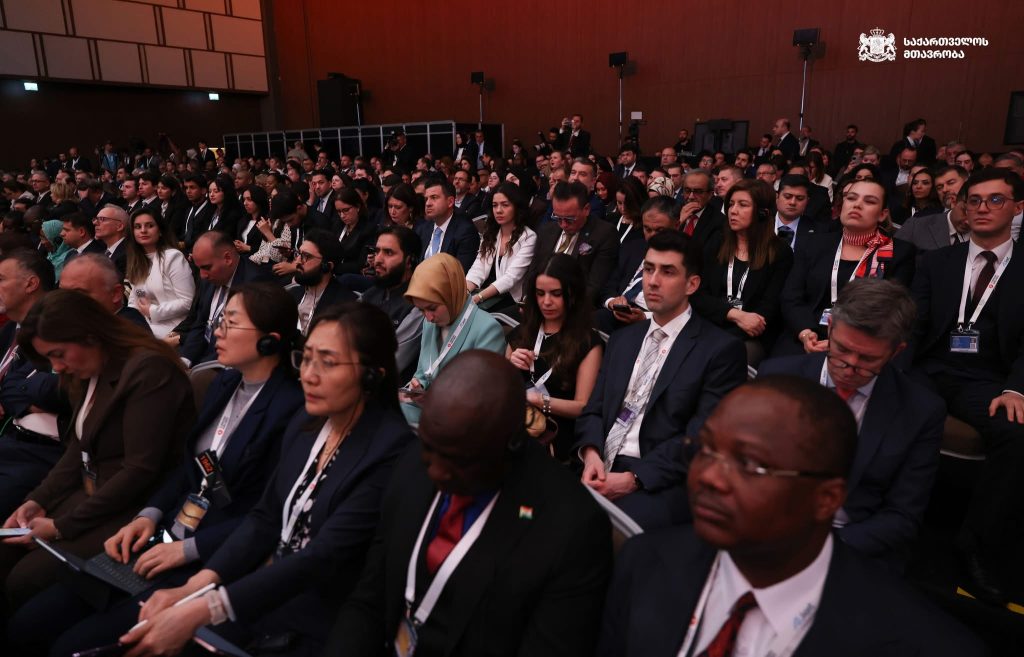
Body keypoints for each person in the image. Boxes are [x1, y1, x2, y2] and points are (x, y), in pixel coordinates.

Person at [11, 283, 306, 656]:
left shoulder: (291, 409)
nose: (217, 331)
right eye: (220, 320)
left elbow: (266, 513)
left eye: (231, 323)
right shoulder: (226, 383)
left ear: (269, 341)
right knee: (32, 621)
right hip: (164, 532)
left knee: (72, 644)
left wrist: (188, 550)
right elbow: (188, 467)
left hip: (212, 552)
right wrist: (148, 516)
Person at [598, 376, 984, 657]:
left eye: (750, 464)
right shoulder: (644, 561)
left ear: (826, 499)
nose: (709, 477)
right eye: (705, 450)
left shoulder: (914, 643)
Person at [111, 302, 415, 656]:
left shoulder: (392, 451)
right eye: (306, 359)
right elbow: (266, 518)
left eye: (328, 363)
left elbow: (322, 556)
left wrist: (205, 607)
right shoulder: (307, 424)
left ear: (372, 376)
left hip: (319, 617)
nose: (308, 375)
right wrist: (194, 587)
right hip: (265, 588)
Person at [327, 350, 612, 656]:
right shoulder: (416, 459)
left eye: (457, 460)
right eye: (429, 449)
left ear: (511, 444)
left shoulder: (572, 528)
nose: (435, 472)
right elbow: (370, 598)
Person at [0, 290, 195, 608]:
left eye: (59, 354)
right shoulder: (91, 369)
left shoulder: (148, 370)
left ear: (90, 336)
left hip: (133, 507)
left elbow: (139, 471)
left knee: (25, 579)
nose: (57, 367)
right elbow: (79, 447)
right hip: (94, 492)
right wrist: (37, 500)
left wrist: (61, 527)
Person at [759, 278, 943, 565]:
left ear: (896, 352)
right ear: (830, 328)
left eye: (867, 359)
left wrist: (822, 549)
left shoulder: (920, 411)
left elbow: (902, 516)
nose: (849, 368)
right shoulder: (776, 378)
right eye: (842, 350)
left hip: (849, 546)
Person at [576, 230, 747, 529]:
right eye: (648, 269)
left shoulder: (720, 350)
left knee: (594, 531)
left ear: (692, 284)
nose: (653, 281)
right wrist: (590, 454)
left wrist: (634, 479)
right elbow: (594, 409)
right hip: (599, 464)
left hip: (659, 477)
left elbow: (702, 438)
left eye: (667, 272)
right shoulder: (623, 338)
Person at [910, 168, 1024, 604]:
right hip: (931, 368)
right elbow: (914, 326)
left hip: (990, 380)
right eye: (973, 200)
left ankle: (976, 543)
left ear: (1017, 208)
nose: (981, 208)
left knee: (1016, 433)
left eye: (995, 200)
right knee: (884, 401)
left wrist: (1017, 389)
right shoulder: (936, 262)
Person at [778, 179, 916, 356]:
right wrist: (806, 333)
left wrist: (841, 342)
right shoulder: (813, 243)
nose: (857, 205)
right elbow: (791, 297)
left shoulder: (899, 253)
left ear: (882, 214)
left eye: (869, 201)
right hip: (804, 336)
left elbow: (890, 312)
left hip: (860, 343)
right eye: (851, 198)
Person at [507, 255, 603, 460]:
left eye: (556, 294)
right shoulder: (522, 333)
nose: (546, 302)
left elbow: (582, 406)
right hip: (515, 423)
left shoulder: (587, 343)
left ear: (572, 294)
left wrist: (540, 401)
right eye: (540, 293)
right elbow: (501, 388)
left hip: (556, 433)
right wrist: (509, 365)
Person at [692, 179, 794, 367]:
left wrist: (738, 323)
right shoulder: (717, 242)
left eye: (742, 205)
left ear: (763, 213)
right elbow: (698, 294)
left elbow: (769, 308)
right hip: (710, 325)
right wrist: (734, 315)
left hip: (751, 335)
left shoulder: (780, 252)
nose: (733, 210)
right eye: (731, 204)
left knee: (724, 359)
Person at [401, 253, 505, 425]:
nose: (428, 317)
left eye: (432, 308)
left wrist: (433, 399)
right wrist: (418, 387)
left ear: (450, 294)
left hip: (461, 422)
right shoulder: (429, 323)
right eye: (421, 310)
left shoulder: (488, 330)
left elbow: (479, 397)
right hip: (428, 410)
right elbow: (423, 372)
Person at [0, 250, 63, 522]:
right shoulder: (10, 330)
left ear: (30, 284)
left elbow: (53, 391)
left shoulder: (53, 330)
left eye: (1, 279)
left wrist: (14, 397)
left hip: (41, 449)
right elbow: (11, 385)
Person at [179, 231, 272, 368]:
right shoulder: (209, 279)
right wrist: (185, 360)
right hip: (203, 355)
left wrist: (200, 369)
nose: (202, 275)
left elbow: (243, 342)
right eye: (199, 268)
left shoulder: (255, 284)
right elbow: (201, 324)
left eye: (206, 267)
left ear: (227, 258)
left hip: (228, 365)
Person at [597, 196, 680, 333]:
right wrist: (612, 301)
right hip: (619, 311)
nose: (652, 236)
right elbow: (609, 285)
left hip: (654, 321)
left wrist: (645, 317)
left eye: (660, 230)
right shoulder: (632, 248)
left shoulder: (685, 259)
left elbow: (682, 308)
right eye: (647, 229)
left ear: (676, 225)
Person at [531, 181, 618, 305]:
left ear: (586, 209)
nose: (563, 225)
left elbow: (594, 285)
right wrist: (527, 298)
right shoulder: (547, 230)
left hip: (574, 305)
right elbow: (532, 271)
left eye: (570, 219)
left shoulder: (604, 234)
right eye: (558, 218)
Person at [361, 226, 423, 379]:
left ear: (409, 261)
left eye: (388, 253)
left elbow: (391, 363)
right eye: (377, 251)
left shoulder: (417, 304)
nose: (378, 260)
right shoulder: (369, 295)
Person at [466, 182, 537, 313]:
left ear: (516, 207)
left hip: (510, 299)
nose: (498, 210)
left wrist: (479, 297)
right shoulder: (491, 233)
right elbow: (478, 267)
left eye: (505, 205)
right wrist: (464, 292)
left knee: (472, 312)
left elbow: (511, 278)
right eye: (495, 205)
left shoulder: (528, 237)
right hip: (485, 294)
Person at [123, 207, 195, 338]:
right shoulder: (137, 262)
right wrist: (135, 318)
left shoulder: (172, 257)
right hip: (147, 324)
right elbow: (137, 296)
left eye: (150, 226)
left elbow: (187, 302)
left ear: (160, 230)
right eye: (138, 227)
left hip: (175, 327)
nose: (143, 230)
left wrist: (152, 311)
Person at [288, 228, 356, 335]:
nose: (298, 261)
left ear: (327, 266)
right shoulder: (292, 294)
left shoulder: (345, 305)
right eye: (298, 254)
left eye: (306, 256)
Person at [60, 254, 151, 330]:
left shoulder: (129, 335)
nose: (64, 301)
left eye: (78, 294)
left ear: (115, 293)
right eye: (62, 292)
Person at [895, 165, 971, 253]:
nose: (944, 190)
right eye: (939, 187)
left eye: (950, 183)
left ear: (968, 182)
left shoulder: (983, 219)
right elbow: (889, 254)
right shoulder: (917, 223)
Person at [332, 186, 379, 275]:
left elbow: (361, 264)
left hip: (350, 275)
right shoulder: (337, 225)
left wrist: (333, 267)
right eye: (339, 211)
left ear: (357, 207)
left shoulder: (368, 229)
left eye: (346, 210)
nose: (342, 216)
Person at [679, 169, 725, 247]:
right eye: (687, 190)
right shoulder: (673, 212)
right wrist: (679, 223)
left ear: (710, 195)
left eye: (698, 191)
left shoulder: (719, 222)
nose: (691, 197)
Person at [93, 203, 129, 276]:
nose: (95, 223)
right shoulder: (100, 255)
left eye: (102, 219)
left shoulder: (130, 254)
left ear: (119, 226)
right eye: (96, 219)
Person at [233, 183, 269, 256]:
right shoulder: (243, 220)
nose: (245, 203)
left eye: (249, 199)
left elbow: (268, 249)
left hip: (257, 259)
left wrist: (248, 248)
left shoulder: (266, 222)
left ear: (258, 200)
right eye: (244, 199)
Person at [613, 176, 647, 246]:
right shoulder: (611, 219)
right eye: (619, 203)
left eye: (628, 204)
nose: (623, 209)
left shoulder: (645, 227)